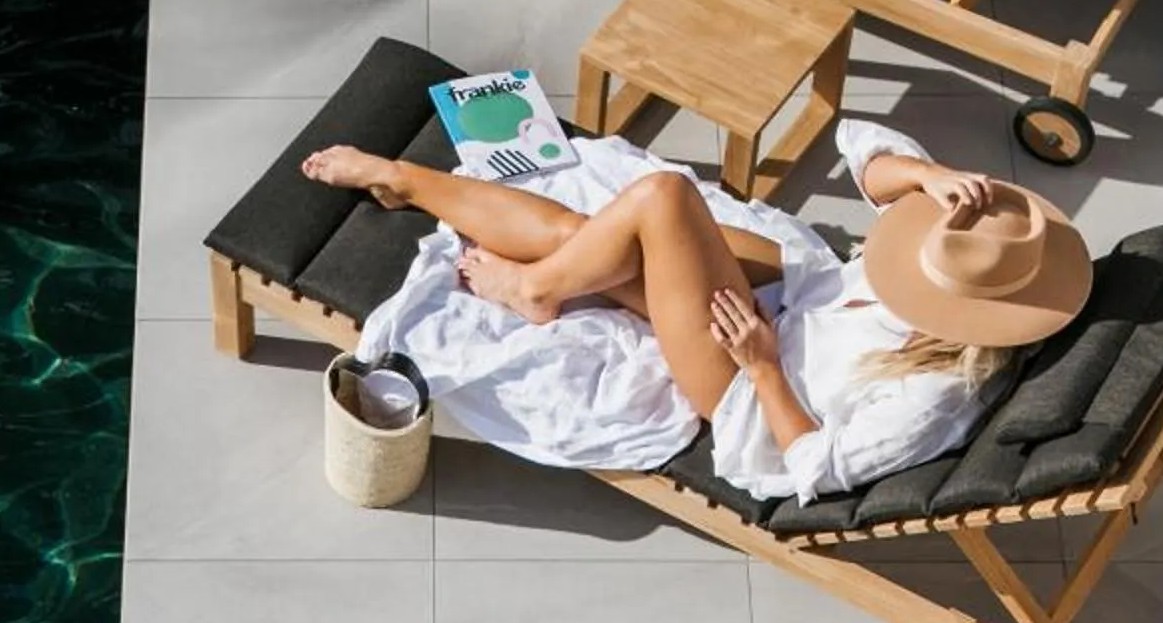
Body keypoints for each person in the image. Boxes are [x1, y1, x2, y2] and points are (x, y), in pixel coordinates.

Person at [299, 120, 1091, 500]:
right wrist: (929, 177)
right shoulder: (966, 255)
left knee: (658, 202)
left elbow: (816, 467)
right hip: (798, 293)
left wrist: (762, 367)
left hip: (749, 374)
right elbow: (861, 150)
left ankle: (535, 287)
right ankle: (405, 180)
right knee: (594, 232)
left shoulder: (935, 396)